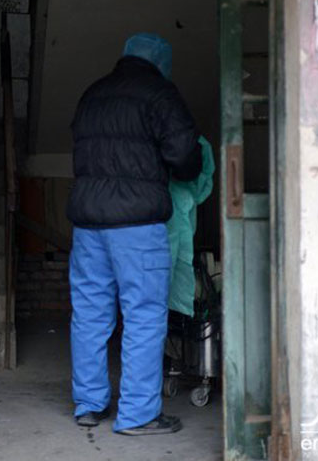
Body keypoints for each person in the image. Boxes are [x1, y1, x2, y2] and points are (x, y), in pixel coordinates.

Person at [67, 33, 203, 436]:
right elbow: (185, 156)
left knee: (89, 314)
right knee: (144, 316)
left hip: (88, 225)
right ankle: (138, 415)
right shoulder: (159, 94)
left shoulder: (92, 93)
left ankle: (89, 405)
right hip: (137, 226)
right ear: (160, 62)